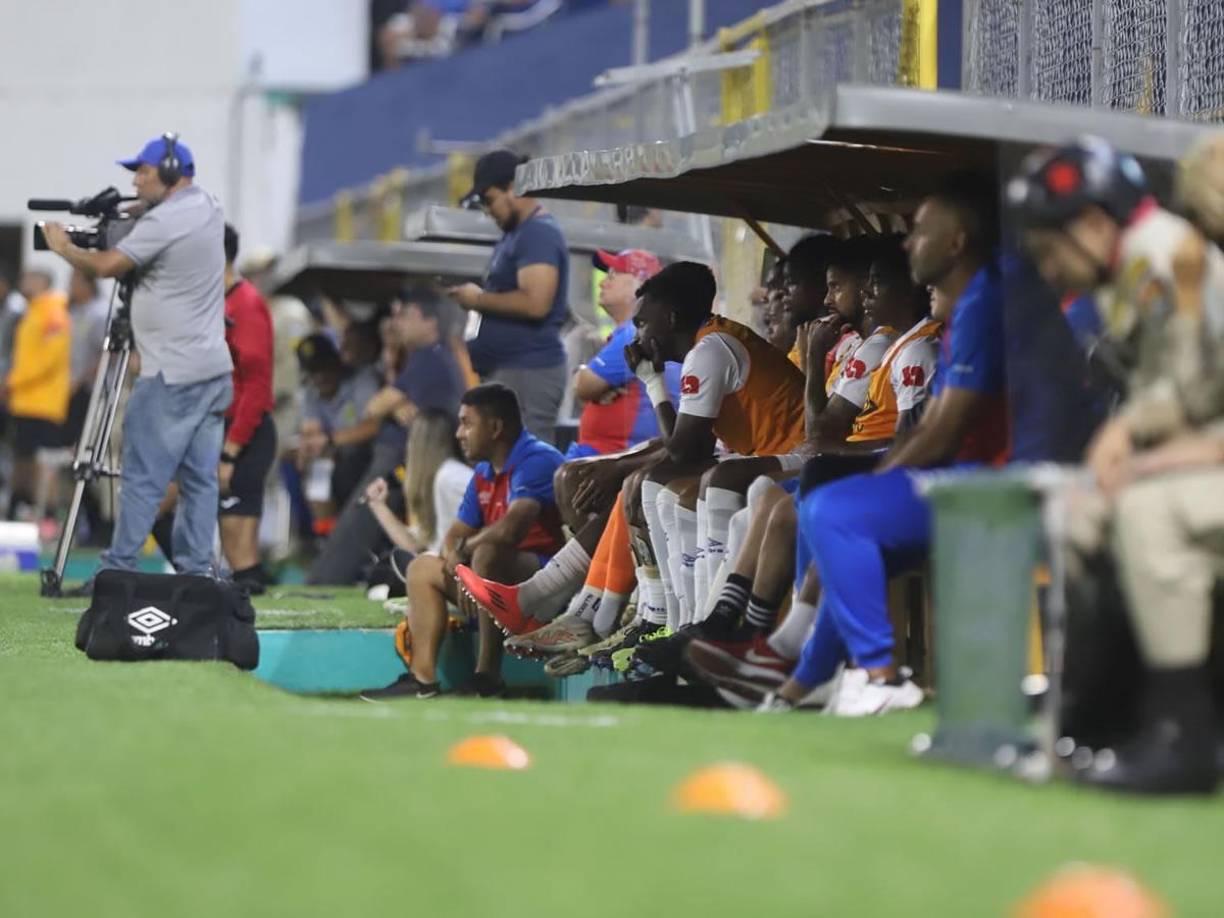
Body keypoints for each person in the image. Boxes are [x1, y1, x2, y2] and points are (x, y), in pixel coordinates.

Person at [1012, 137, 1224, 794]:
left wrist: (1133, 439)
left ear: (1093, 222)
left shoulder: (1158, 254)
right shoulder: (1136, 264)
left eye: (1051, 249)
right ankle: (1104, 716)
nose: (1049, 269)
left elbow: (1185, 397)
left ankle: (1182, 733)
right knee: (1083, 511)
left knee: (1145, 509)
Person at [763, 173, 1008, 716]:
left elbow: (942, 431)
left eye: (920, 231)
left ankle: (879, 674)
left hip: (1001, 480)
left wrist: (876, 480)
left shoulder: (985, 301)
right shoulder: (972, 304)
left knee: (837, 512)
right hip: (970, 476)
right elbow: (932, 427)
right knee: (837, 512)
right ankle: (806, 681)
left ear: (956, 242)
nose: (909, 242)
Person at [42, 134, 233, 583]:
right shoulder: (207, 206)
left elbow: (106, 266)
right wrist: (138, 210)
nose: (136, 181)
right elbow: (168, 217)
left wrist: (64, 247)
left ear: (170, 171)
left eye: (143, 172)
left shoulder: (165, 221)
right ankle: (195, 573)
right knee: (199, 479)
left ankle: (119, 568)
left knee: (143, 477)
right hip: (212, 370)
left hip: (171, 374)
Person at [361, 384, 565, 700]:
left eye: (467, 423)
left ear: (495, 428)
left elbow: (511, 530)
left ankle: (487, 676)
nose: (459, 434)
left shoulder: (536, 459)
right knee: (422, 568)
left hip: (548, 586)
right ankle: (422, 679)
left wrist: (466, 559)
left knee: (486, 554)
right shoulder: (483, 472)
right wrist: (459, 565)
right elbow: (455, 534)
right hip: (498, 588)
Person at [306, 293, 466, 584]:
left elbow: (373, 406)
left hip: (410, 456)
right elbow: (382, 404)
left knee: (363, 513)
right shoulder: (422, 357)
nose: (398, 323)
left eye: (406, 315)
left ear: (429, 321)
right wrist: (397, 403)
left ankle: (326, 579)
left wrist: (392, 403)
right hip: (407, 456)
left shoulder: (431, 356)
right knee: (362, 501)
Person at [446, 149, 569, 441]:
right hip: (511, 372)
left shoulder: (537, 234)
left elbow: (537, 303)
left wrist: (477, 300)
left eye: (489, 200)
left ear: (512, 187)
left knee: (524, 458)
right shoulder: (516, 234)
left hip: (528, 371)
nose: (487, 210)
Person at [567, 248, 676, 458]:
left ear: (640, 285)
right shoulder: (637, 331)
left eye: (613, 275)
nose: (602, 283)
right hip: (613, 455)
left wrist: (590, 382)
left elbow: (584, 386)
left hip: (620, 459)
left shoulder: (635, 334)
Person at [216, 224, 276, 592]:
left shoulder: (245, 304)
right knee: (229, 534)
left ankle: (249, 599)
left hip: (245, 431)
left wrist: (231, 451)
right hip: (226, 427)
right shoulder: (222, 301)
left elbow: (256, 386)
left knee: (239, 544)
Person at [3, 271, 70, 521]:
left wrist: (12, 381)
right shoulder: (31, 311)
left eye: (29, 278)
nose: (23, 281)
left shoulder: (53, 312)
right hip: (25, 402)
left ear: (42, 283)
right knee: (23, 459)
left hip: (44, 402)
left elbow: (48, 359)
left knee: (44, 463)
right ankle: (20, 510)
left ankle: (48, 515)